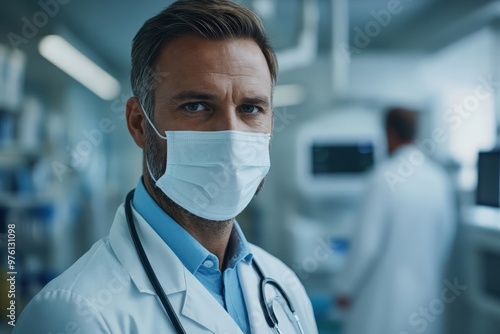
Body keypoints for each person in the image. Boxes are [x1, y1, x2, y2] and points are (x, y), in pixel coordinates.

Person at [13, 1, 318, 333]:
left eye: (251, 108)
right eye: (197, 105)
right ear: (139, 124)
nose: (231, 136)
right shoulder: (72, 313)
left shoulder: (283, 287)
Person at [335, 108, 456, 334]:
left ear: (389, 133)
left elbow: (366, 247)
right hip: (425, 301)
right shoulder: (439, 180)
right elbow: (445, 238)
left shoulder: (383, 178)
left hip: (382, 304)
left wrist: (344, 289)